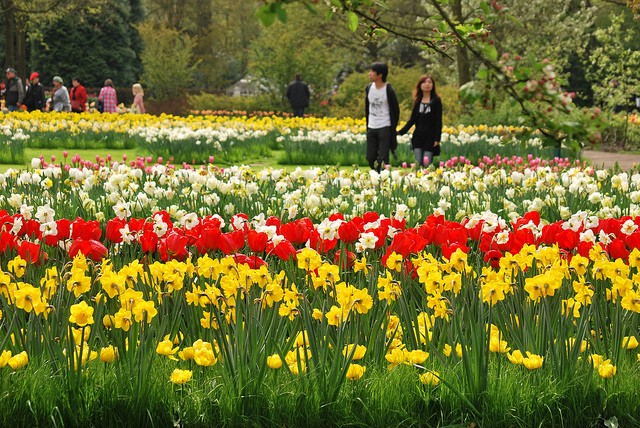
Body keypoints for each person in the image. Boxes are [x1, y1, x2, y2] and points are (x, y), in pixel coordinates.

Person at [397, 75, 443, 168]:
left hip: (430, 137)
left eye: (429, 82)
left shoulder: (436, 101)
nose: (427, 84)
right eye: (424, 82)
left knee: (427, 164)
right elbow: (412, 120)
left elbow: (438, 121)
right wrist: (400, 132)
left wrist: (437, 139)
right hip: (418, 136)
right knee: (418, 163)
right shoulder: (418, 101)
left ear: (433, 85)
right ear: (420, 85)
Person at [365, 62, 400, 172]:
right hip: (372, 126)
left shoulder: (388, 89)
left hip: (385, 126)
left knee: (383, 157)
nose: (369, 74)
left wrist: (393, 128)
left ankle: (383, 179)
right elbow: (367, 107)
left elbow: (395, 110)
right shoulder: (369, 88)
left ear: (380, 75)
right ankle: (375, 174)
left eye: (372, 72)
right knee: (370, 157)